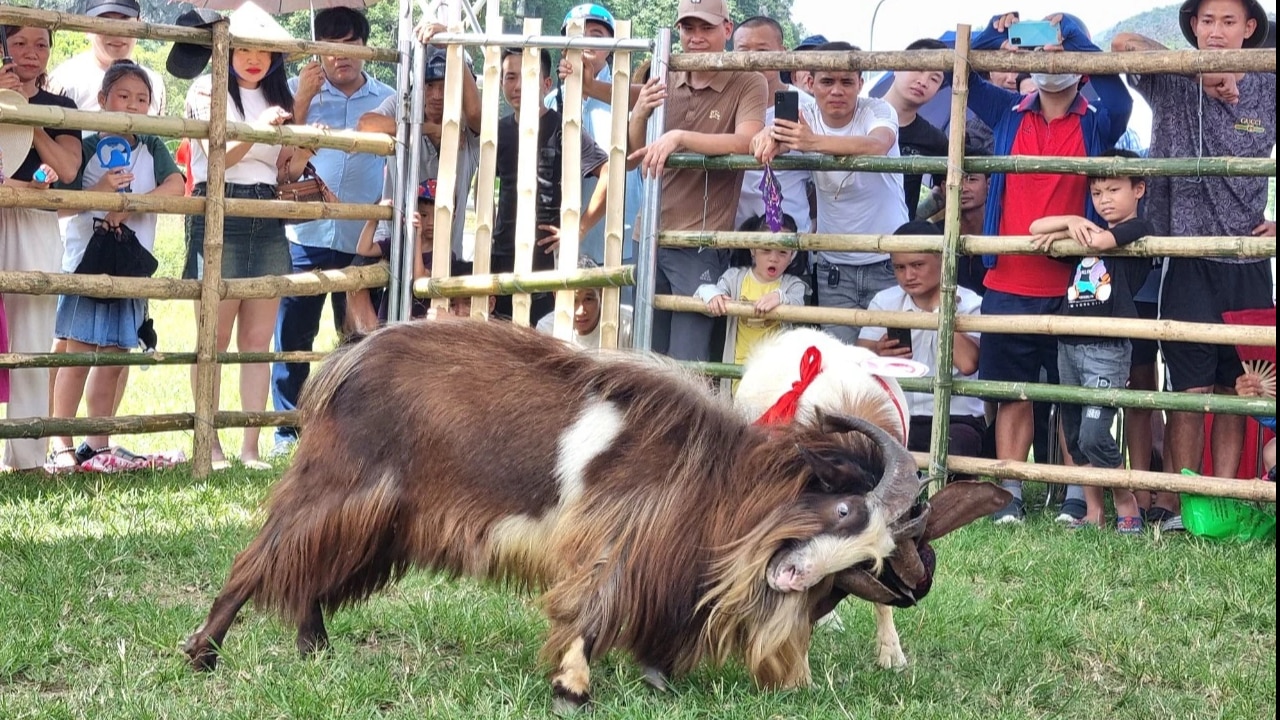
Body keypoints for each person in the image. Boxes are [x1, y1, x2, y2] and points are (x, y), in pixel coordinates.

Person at [964, 11, 1132, 524]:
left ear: (1077, 64)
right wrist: (999, 32)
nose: (1047, 60)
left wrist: (1075, 35)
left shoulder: (1097, 119)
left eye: (1057, 51)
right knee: (1012, 393)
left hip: (1074, 280)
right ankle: (1009, 494)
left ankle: (1078, 497)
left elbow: (1120, 94)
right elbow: (960, 76)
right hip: (1008, 277)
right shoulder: (1007, 111)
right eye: (1037, 52)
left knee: (1073, 395)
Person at [1113, 0, 1275, 528]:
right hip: (1184, 254)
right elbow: (1123, 45)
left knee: (1239, 385)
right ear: (1193, 28)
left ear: (1250, 29)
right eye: (1207, 21)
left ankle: (1221, 500)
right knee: (1189, 390)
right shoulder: (1171, 77)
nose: (1216, 31)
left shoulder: (1270, 81)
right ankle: (1175, 504)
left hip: (1247, 255)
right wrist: (1199, 71)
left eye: (1229, 21)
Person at [45, 61, 184, 471]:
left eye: (142, 99)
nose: (133, 105)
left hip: (131, 266)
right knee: (78, 354)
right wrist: (102, 191)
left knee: (114, 357)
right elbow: (62, 200)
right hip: (86, 264)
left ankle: (98, 441)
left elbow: (177, 185)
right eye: (123, 96)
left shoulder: (151, 147)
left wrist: (127, 207)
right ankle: (60, 441)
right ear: (103, 100)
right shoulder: (85, 148)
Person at [269, 7, 395, 457]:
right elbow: (279, 161)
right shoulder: (298, 94)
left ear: (365, 47)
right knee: (294, 337)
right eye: (330, 46)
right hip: (306, 234)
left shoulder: (388, 97)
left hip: (363, 237)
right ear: (317, 49)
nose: (341, 56)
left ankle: (353, 431)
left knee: (360, 336)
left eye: (349, 45)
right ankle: (286, 429)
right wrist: (301, 101)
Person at [176, 3, 297, 469]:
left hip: (265, 207)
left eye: (262, 50)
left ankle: (250, 448)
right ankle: (209, 442)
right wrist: (257, 128)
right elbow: (218, 158)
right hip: (217, 207)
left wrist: (302, 146)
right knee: (214, 336)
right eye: (242, 47)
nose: (252, 57)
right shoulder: (204, 88)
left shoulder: (278, 96)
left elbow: (281, 167)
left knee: (257, 339)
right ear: (223, 49)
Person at [628, 0, 767, 361]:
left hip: (699, 240)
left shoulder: (748, 79)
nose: (696, 37)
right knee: (645, 354)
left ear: (727, 28)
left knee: (686, 361)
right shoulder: (665, 73)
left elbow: (747, 141)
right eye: (688, 29)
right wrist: (639, 114)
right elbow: (634, 151)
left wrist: (681, 137)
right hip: (649, 234)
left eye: (706, 28)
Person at [1029, 149, 1153, 533]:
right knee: (1074, 433)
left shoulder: (1137, 229)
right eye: (1097, 192)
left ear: (1139, 189)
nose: (1104, 200)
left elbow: (1101, 244)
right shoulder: (1085, 232)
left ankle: (1125, 499)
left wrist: (1069, 231)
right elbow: (1034, 227)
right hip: (1069, 343)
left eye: (1114, 189)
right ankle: (1093, 511)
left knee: (1095, 431)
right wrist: (1068, 221)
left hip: (1107, 347)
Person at [754, 40, 907, 344]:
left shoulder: (877, 109)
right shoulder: (804, 115)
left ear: (860, 84)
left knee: (890, 361)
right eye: (827, 81)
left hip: (888, 261)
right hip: (833, 265)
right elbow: (759, 141)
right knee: (840, 363)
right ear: (810, 83)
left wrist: (810, 143)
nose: (837, 90)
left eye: (846, 82)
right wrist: (767, 138)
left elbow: (877, 145)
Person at [355, 21, 482, 324]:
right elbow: (366, 125)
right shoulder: (404, 107)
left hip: (440, 256)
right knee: (361, 304)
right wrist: (424, 128)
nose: (436, 95)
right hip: (391, 247)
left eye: (445, 84)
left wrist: (453, 42)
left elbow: (476, 110)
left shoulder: (471, 128)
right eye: (429, 85)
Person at [0, 23, 82, 472]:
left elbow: (68, 168)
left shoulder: (61, 106)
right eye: (18, 43)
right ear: (3, 46)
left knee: (31, 329)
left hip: (35, 220)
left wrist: (25, 118)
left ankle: (26, 455)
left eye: (41, 44)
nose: (30, 53)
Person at [494, 47, 610, 322]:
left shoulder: (563, 129)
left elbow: (608, 172)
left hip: (547, 257)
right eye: (510, 77)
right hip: (501, 254)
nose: (518, 85)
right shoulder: (497, 130)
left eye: (528, 76)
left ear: (547, 84)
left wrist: (577, 229)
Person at [858, 222, 985, 464]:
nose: (908, 276)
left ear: (942, 259)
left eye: (917, 265)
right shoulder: (884, 301)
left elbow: (968, 362)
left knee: (957, 448)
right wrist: (877, 352)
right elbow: (858, 356)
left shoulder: (969, 303)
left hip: (957, 417)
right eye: (899, 267)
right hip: (898, 414)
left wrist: (941, 309)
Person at [553, 3, 645, 263]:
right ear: (563, 45)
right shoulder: (551, 103)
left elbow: (632, 163)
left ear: (612, 45)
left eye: (596, 34)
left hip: (621, 241)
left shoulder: (629, 102)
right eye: (577, 33)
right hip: (565, 241)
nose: (586, 41)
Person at [696, 213, 806, 390]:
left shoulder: (792, 285)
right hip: (738, 370)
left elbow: (797, 305)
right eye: (766, 250)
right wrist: (711, 294)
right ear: (752, 250)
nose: (773, 258)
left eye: (783, 252)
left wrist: (780, 297)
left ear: (792, 256)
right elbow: (706, 294)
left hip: (775, 374)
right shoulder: (734, 278)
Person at [732, 16, 817, 236]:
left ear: (782, 52)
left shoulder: (808, 108)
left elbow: (822, 181)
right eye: (743, 50)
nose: (753, 59)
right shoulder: (725, 105)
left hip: (789, 242)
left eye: (762, 50)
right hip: (736, 238)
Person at [46, 0, 166, 115]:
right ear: (86, 27)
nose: (117, 32)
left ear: (139, 24)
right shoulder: (63, 81)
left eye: (125, 22)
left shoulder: (155, 83)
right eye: (105, 23)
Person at [883, 38, 950, 217]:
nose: (923, 81)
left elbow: (945, 189)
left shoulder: (934, 139)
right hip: (840, 236)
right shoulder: (854, 114)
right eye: (919, 68)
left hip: (898, 240)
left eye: (934, 78)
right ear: (897, 66)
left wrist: (914, 219)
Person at [354, 182, 433, 320]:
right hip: (390, 316)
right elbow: (364, 249)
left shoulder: (443, 255)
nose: (431, 222)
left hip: (418, 325)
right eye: (424, 215)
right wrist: (374, 217)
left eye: (436, 215)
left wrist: (418, 236)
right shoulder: (399, 243)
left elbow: (419, 277)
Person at [536, 256, 634, 349]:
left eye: (588, 299)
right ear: (557, 297)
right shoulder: (547, 329)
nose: (580, 311)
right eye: (573, 300)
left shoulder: (626, 323)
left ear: (601, 293)